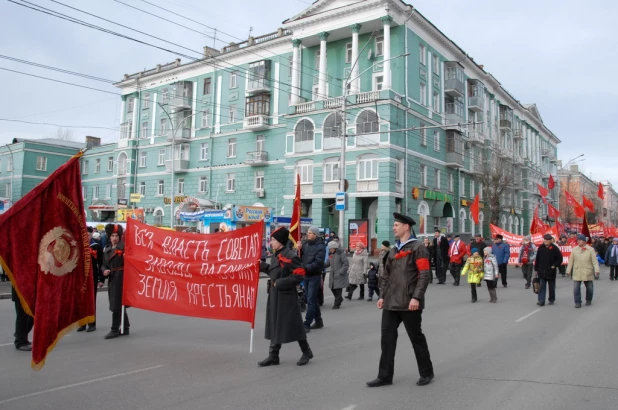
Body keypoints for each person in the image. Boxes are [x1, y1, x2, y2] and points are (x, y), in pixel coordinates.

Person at [366, 213, 434, 388]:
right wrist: (381, 296)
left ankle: (426, 372)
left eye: (396, 225)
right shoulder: (393, 250)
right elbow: (386, 276)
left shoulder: (418, 247)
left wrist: (416, 297)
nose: (393, 227)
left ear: (406, 227)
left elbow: (425, 275)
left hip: (409, 302)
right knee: (386, 339)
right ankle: (384, 376)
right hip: (391, 302)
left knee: (416, 338)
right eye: (394, 225)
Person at [258, 227, 313, 367]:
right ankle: (273, 355)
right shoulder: (277, 254)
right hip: (275, 294)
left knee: (293, 325)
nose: (271, 243)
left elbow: (299, 275)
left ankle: (306, 352)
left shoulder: (290, 255)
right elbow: (274, 271)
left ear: (281, 241)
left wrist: (280, 283)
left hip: (286, 296)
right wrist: (261, 266)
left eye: (274, 240)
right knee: (275, 323)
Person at [101, 224, 130, 339]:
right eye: (112, 235)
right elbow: (103, 264)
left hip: (121, 277)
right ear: (109, 237)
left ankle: (114, 329)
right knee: (118, 303)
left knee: (116, 304)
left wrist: (126, 257)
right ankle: (125, 327)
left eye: (116, 235)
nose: (114, 238)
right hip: (112, 278)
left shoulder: (124, 248)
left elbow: (130, 262)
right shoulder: (107, 249)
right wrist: (104, 271)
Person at [77, 227, 105, 333]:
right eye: (84, 235)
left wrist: (101, 279)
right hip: (81, 279)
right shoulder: (79, 247)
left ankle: (92, 323)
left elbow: (101, 263)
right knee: (81, 301)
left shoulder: (96, 247)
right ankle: (82, 323)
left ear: (91, 235)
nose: (86, 237)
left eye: (88, 235)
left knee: (91, 301)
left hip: (92, 278)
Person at [300, 226, 326, 333]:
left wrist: (306, 268)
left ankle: (307, 323)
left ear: (315, 234)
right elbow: (301, 257)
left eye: (310, 233)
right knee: (313, 299)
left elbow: (318, 263)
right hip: (306, 275)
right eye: (307, 232)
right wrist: (299, 248)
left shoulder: (321, 246)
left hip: (314, 275)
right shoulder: (305, 244)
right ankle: (319, 321)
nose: (308, 234)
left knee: (310, 299)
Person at [567, 234, 600, 308]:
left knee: (590, 288)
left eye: (580, 240)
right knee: (576, 289)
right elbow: (571, 261)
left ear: (584, 241)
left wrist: (596, 270)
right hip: (577, 271)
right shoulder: (574, 249)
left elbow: (594, 261)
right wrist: (568, 270)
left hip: (587, 271)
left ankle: (588, 299)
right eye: (577, 240)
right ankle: (578, 302)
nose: (578, 241)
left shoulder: (590, 249)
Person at [534, 234, 563, 306]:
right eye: (545, 239)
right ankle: (541, 300)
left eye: (547, 240)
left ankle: (551, 299)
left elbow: (560, 259)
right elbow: (537, 258)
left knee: (551, 287)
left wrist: (555, 265)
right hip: (542, 271)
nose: (545, 241)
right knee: (542, 286)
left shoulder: (554, 248)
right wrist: (536, 268)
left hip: (551, 271)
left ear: (550, 240)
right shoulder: (541, 247)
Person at [325, 240, 349, 309]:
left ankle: (337, 304)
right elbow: (328, 263)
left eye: (331, 248)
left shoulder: (341, 254)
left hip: (339, 274)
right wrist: (322, 265)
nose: (330, 249)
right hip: (333, 274)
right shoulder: (331, 254)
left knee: (338, 289)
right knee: (332, 288)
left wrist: (341, 271)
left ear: (334, 248)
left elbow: (346, 263)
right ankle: (339, 299)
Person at [12, 284, 34, 351]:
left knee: (31, 317)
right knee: (22, 317)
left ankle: (19, 334)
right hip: (20, 291)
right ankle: (20, 342)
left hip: (29, 292)